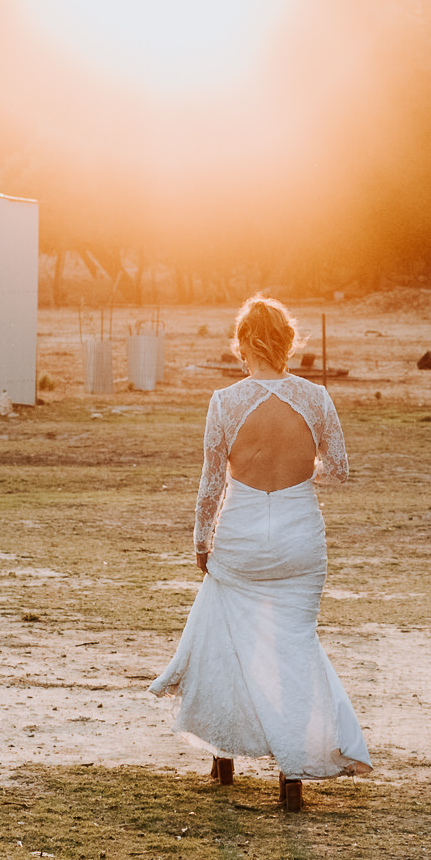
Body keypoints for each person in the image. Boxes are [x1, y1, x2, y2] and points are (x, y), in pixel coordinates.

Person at [150, 294, 370, 807]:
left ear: (244, 343)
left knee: (225, 641)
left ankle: (223, 751)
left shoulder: (225, 402)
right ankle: (291, 773)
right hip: (299, 535)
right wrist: (300, 472)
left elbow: (210, 484)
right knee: (293, 648)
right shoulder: (315, 398)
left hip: (242, 534)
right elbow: (338, 468)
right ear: (288, 343)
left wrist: (201, 542)